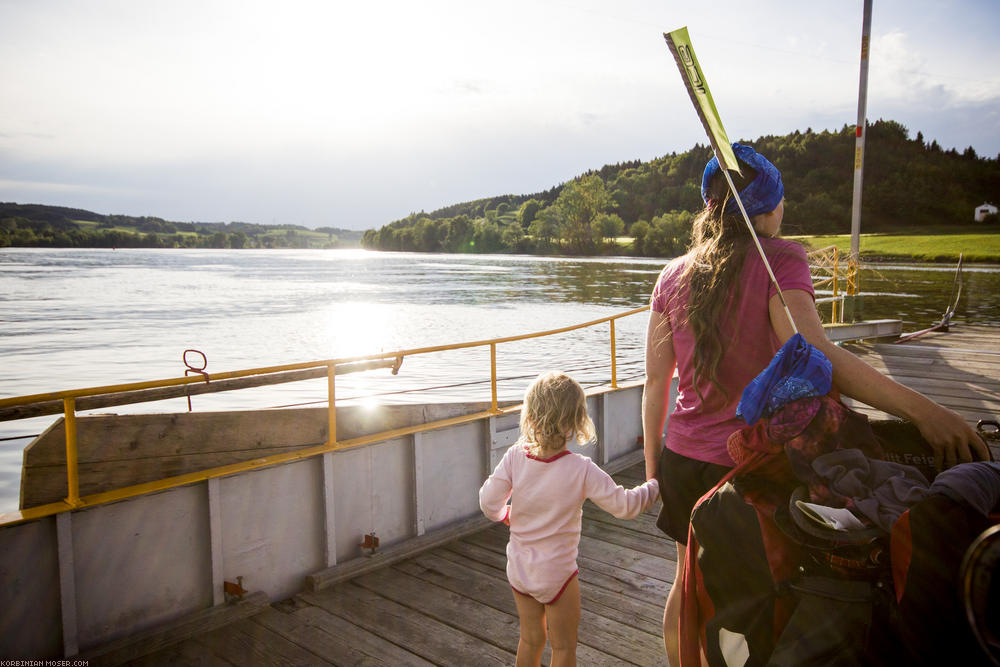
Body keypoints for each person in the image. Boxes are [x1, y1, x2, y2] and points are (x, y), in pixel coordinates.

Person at [641, 142, 990, 666]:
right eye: (782, 203)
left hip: (682, 458)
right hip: (746, 468)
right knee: (762, 593)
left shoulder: (671, 275)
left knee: (688, 584)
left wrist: (654, 471)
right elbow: (815, 354)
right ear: (770, 207)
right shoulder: (777, 257)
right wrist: (925, 411)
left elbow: (654, 384)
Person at [480, 371, 660, 667]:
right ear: (576, 421)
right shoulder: (581, 469)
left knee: (530, 640)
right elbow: (624, 506)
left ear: (530, 416)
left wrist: (505, 514)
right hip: (558, 575)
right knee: (563, 648)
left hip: (521, 570)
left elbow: (489, 503)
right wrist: (653, 487)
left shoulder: (514, 456)